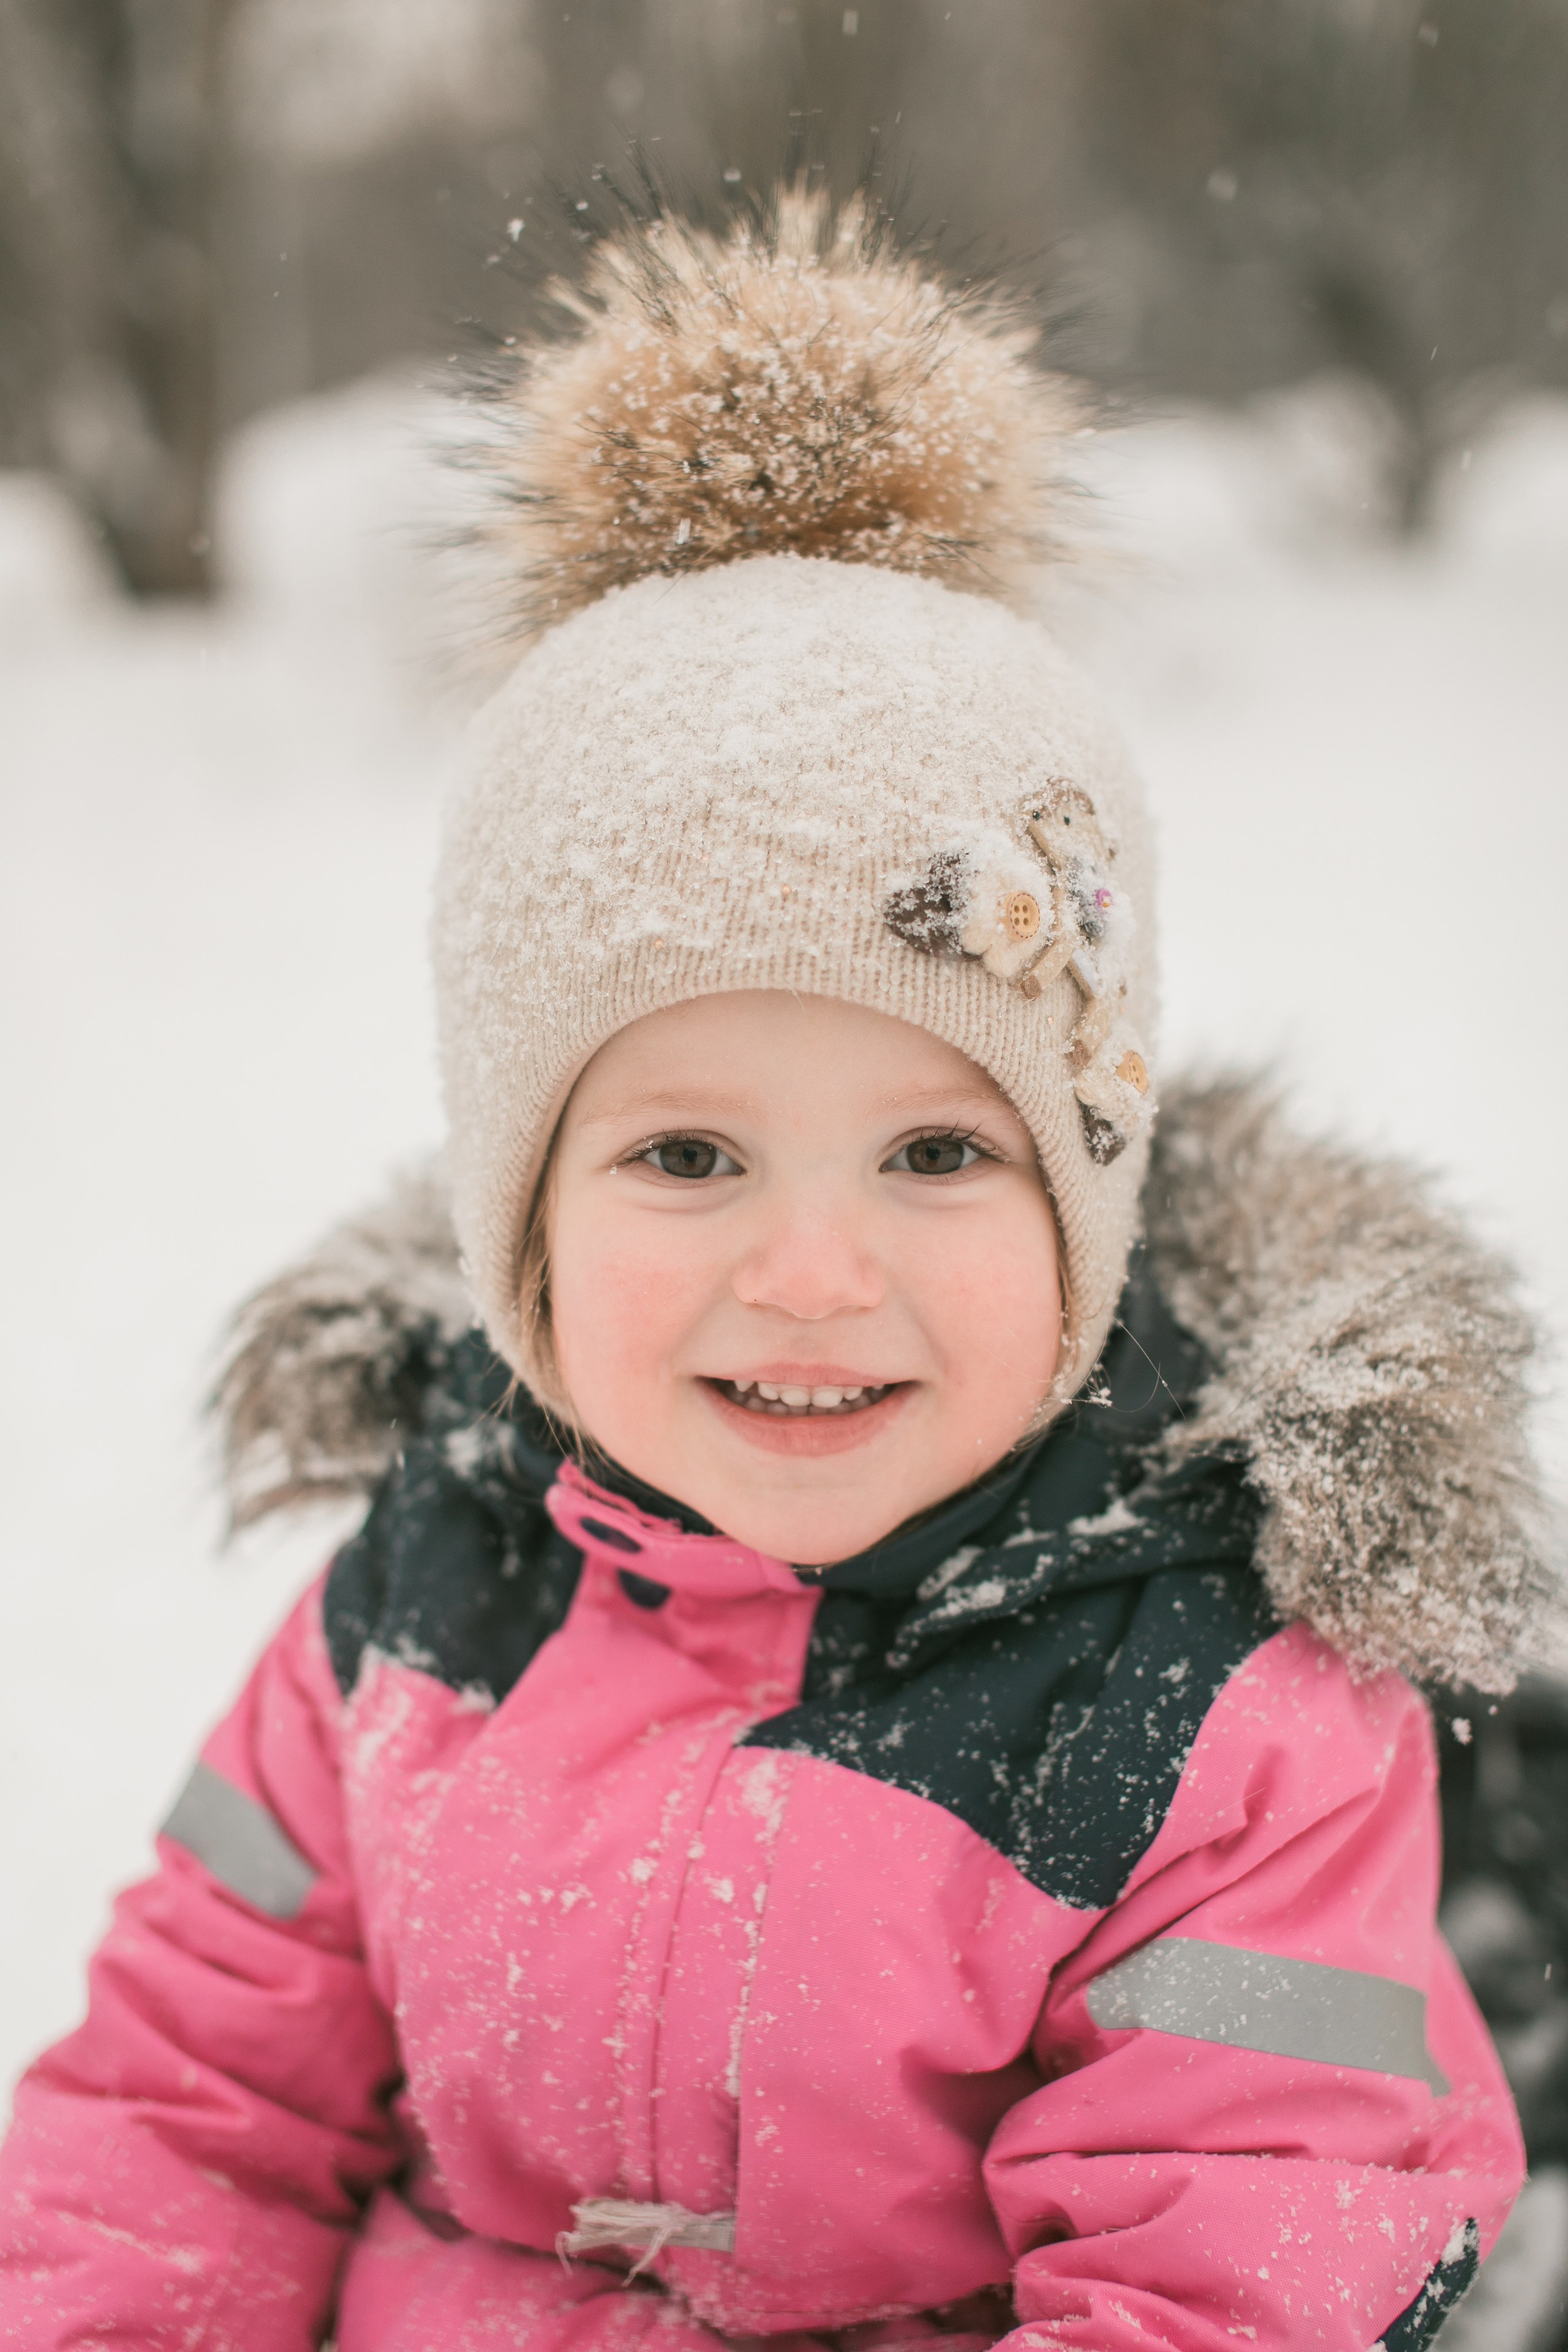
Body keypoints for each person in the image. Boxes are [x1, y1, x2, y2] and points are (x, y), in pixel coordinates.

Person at [0, 189, 1545, 2352]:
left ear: (1087, 1206)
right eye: (687, 1155)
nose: (811, 1271)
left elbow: (1242, 2259)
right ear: (520, 1221)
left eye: (935, 1151)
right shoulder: (414, 1609)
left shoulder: (1217, 1713)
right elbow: (185, 2109)